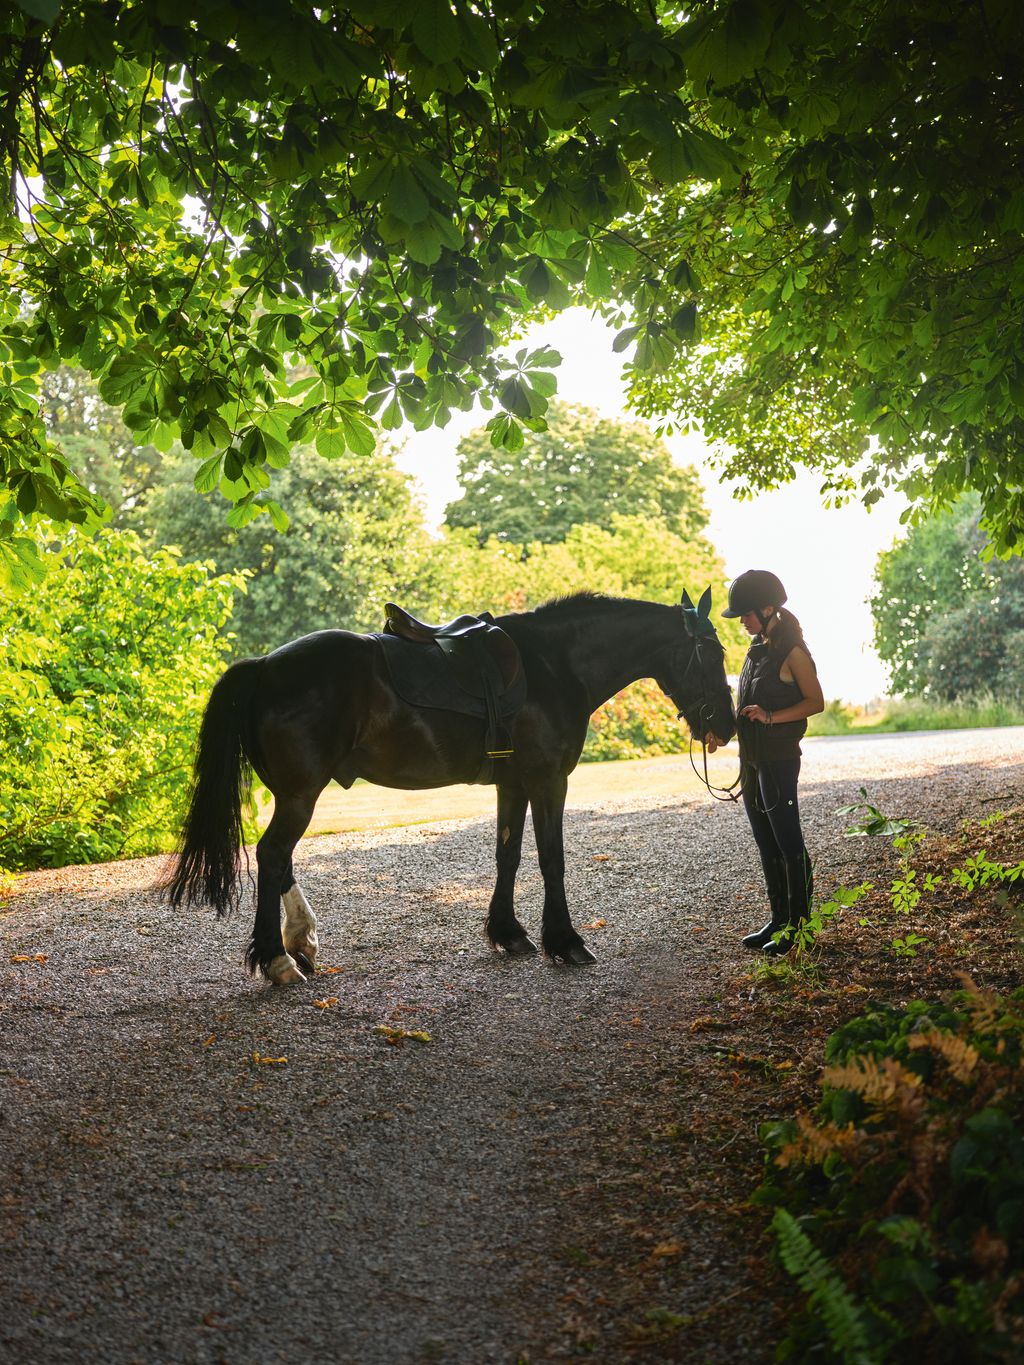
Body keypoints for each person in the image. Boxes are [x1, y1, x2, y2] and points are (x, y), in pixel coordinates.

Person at [712, 570, 825, 955]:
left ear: (768, 609)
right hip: (753, 760)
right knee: (766, 842)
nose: (741, 620)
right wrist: (722, 732)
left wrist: (772, 717)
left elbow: (815, 702)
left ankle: (800, 926)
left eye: (745, 614)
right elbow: (747, 707)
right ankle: (779, 919)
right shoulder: (756, 651)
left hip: (778, 760)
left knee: (788, 840)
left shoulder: (793, 652)